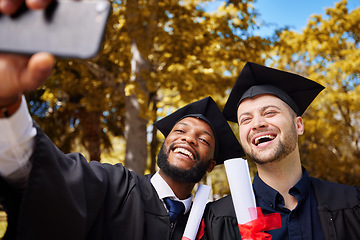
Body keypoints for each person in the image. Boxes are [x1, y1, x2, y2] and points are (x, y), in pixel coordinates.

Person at [0, 1, 246, 239]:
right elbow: (41, 175)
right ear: (165, 142)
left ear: (211, 165)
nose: (189, 139)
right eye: (180, 130)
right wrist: (7, 105)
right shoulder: (112, 186)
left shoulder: (213, 225)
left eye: (203, 139)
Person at [201, 62, 360, 240]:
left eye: (269, 113)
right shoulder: (220, 220)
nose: (257, 124)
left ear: (298, 125)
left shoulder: (350, 203)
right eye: (245, 120)